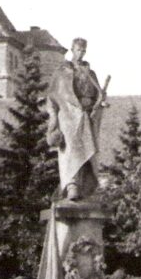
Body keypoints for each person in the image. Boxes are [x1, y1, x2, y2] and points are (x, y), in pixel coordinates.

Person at [46, 38, 107, 201]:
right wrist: (53, 124)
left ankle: (86, 185)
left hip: (86, 116)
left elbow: (97, 94)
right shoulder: (62, 72)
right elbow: (52, 98)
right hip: (68, 116)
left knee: (87, 150)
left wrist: (99, 102)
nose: (81, 53)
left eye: (84, 50)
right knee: (71, 149)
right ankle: (71, 184)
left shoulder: (90, 73)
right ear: (72, 50)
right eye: (79, 50)